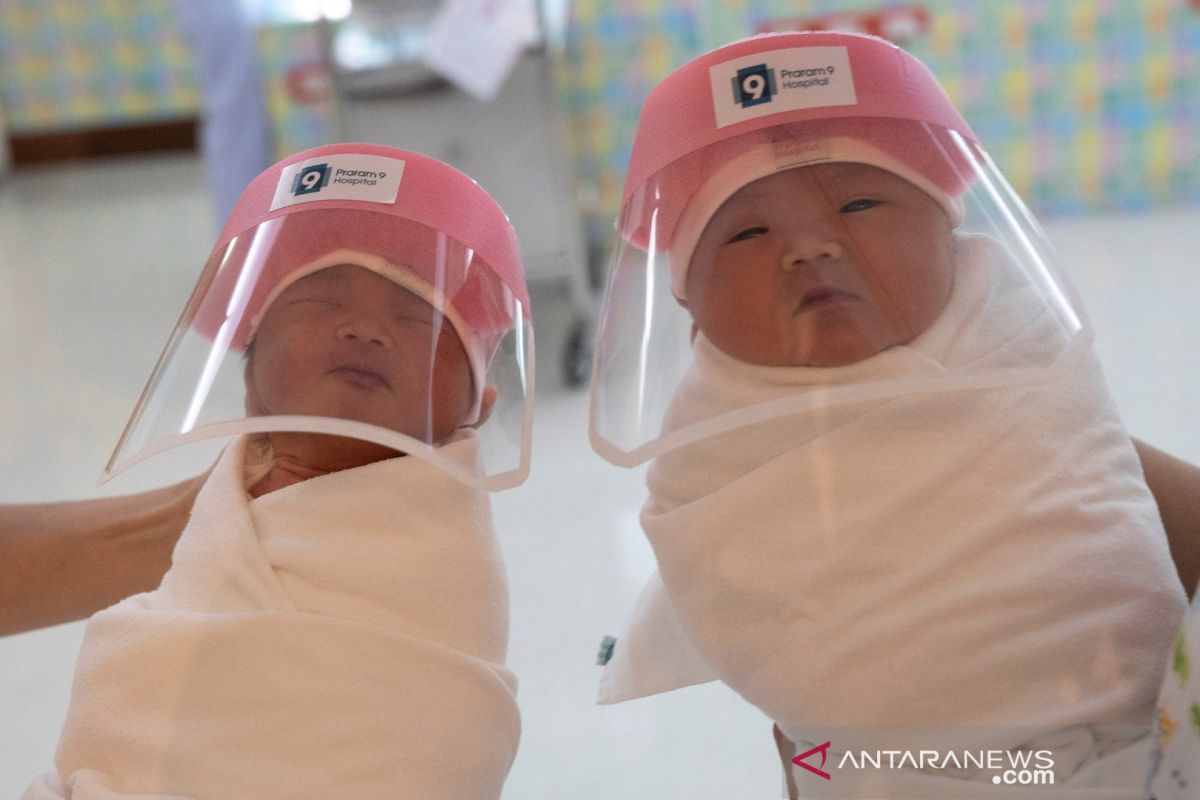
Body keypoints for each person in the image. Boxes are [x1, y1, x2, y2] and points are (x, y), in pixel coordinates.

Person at [587, 31, 1188, 795]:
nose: (811, 245)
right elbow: (740, 603)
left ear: (951, 230)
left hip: (1135, 722)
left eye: (860, 202)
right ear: (692, 311)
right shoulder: (713, 442)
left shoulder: (1015, 341)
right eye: (746, 231)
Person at [22, 143, 534, 800]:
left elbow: (432, 730)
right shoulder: (210, 536)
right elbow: (147, 677)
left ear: (478, 405)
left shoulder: (442, 563)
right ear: (247, 375)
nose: (366, 328)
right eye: (319, 302)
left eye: (416, 318)